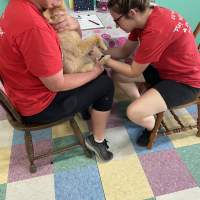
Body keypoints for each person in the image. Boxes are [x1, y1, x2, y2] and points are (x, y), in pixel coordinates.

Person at [0, 0, 114, 161]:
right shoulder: (35, 27)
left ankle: (85, 112)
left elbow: (72, 47)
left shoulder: (16, 6)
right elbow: (56, 84)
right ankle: (97, 140)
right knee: (105, 83)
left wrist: (75, 26)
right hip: (39, 106)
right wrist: (95, 72)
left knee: (89, 71)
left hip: (20, 91)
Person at [91, 0, 200, 147]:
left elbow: (133, 71)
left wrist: (102, 58)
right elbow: (124, 52)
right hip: (165, 69)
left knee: (133, 113)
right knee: (118, 75)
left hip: (185, 82)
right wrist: (97, 51)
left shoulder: (155, 29)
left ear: (132, 13)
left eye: (117, 20)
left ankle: (153, 125)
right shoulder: (145, 16)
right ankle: (143, 107)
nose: (116, 25)